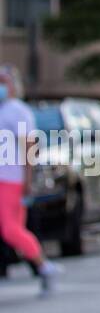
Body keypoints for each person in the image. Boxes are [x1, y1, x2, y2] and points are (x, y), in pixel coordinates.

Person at [0, 65, 61, 295]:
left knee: (11, 231)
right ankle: (43, 267)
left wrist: (28, 178)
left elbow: (29, 147)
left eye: (3, 81)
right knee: (12, 231)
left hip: (11, 181)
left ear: (13, 85)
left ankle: (45, 266)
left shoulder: (18, 111)